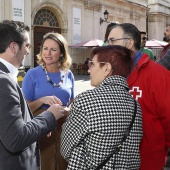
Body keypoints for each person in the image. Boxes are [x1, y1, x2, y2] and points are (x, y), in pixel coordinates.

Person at [61, 45, 143, 169]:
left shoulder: (86, 101)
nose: (89, 70)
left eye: (92, 64)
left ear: (106, 68)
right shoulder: (135, 105)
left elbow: (66, 148)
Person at [0, 20, 65, 170]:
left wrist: (40, 125)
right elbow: (15, 139)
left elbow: (11, 122)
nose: (29, 51)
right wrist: (49, 116)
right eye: (27, 45)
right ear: (14, 47)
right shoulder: (3, 81)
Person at [107, 23, 170, 170]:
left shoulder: (159, 76)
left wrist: (160, 149)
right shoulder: (108, 73)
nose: (107, 45)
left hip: (148, 160)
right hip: (115, 162)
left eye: (112, 41)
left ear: (129, 43)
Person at [22, 32, 74, 170]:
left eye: (53, 49)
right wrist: (42, 100)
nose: (48, 53)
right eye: (45, 48)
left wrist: (68, 110)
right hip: (41, 132)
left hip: (64, 132)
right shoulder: (31, 74)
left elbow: (72, 102)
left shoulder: (69, 74)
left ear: (62, 53)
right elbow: (24, 108)